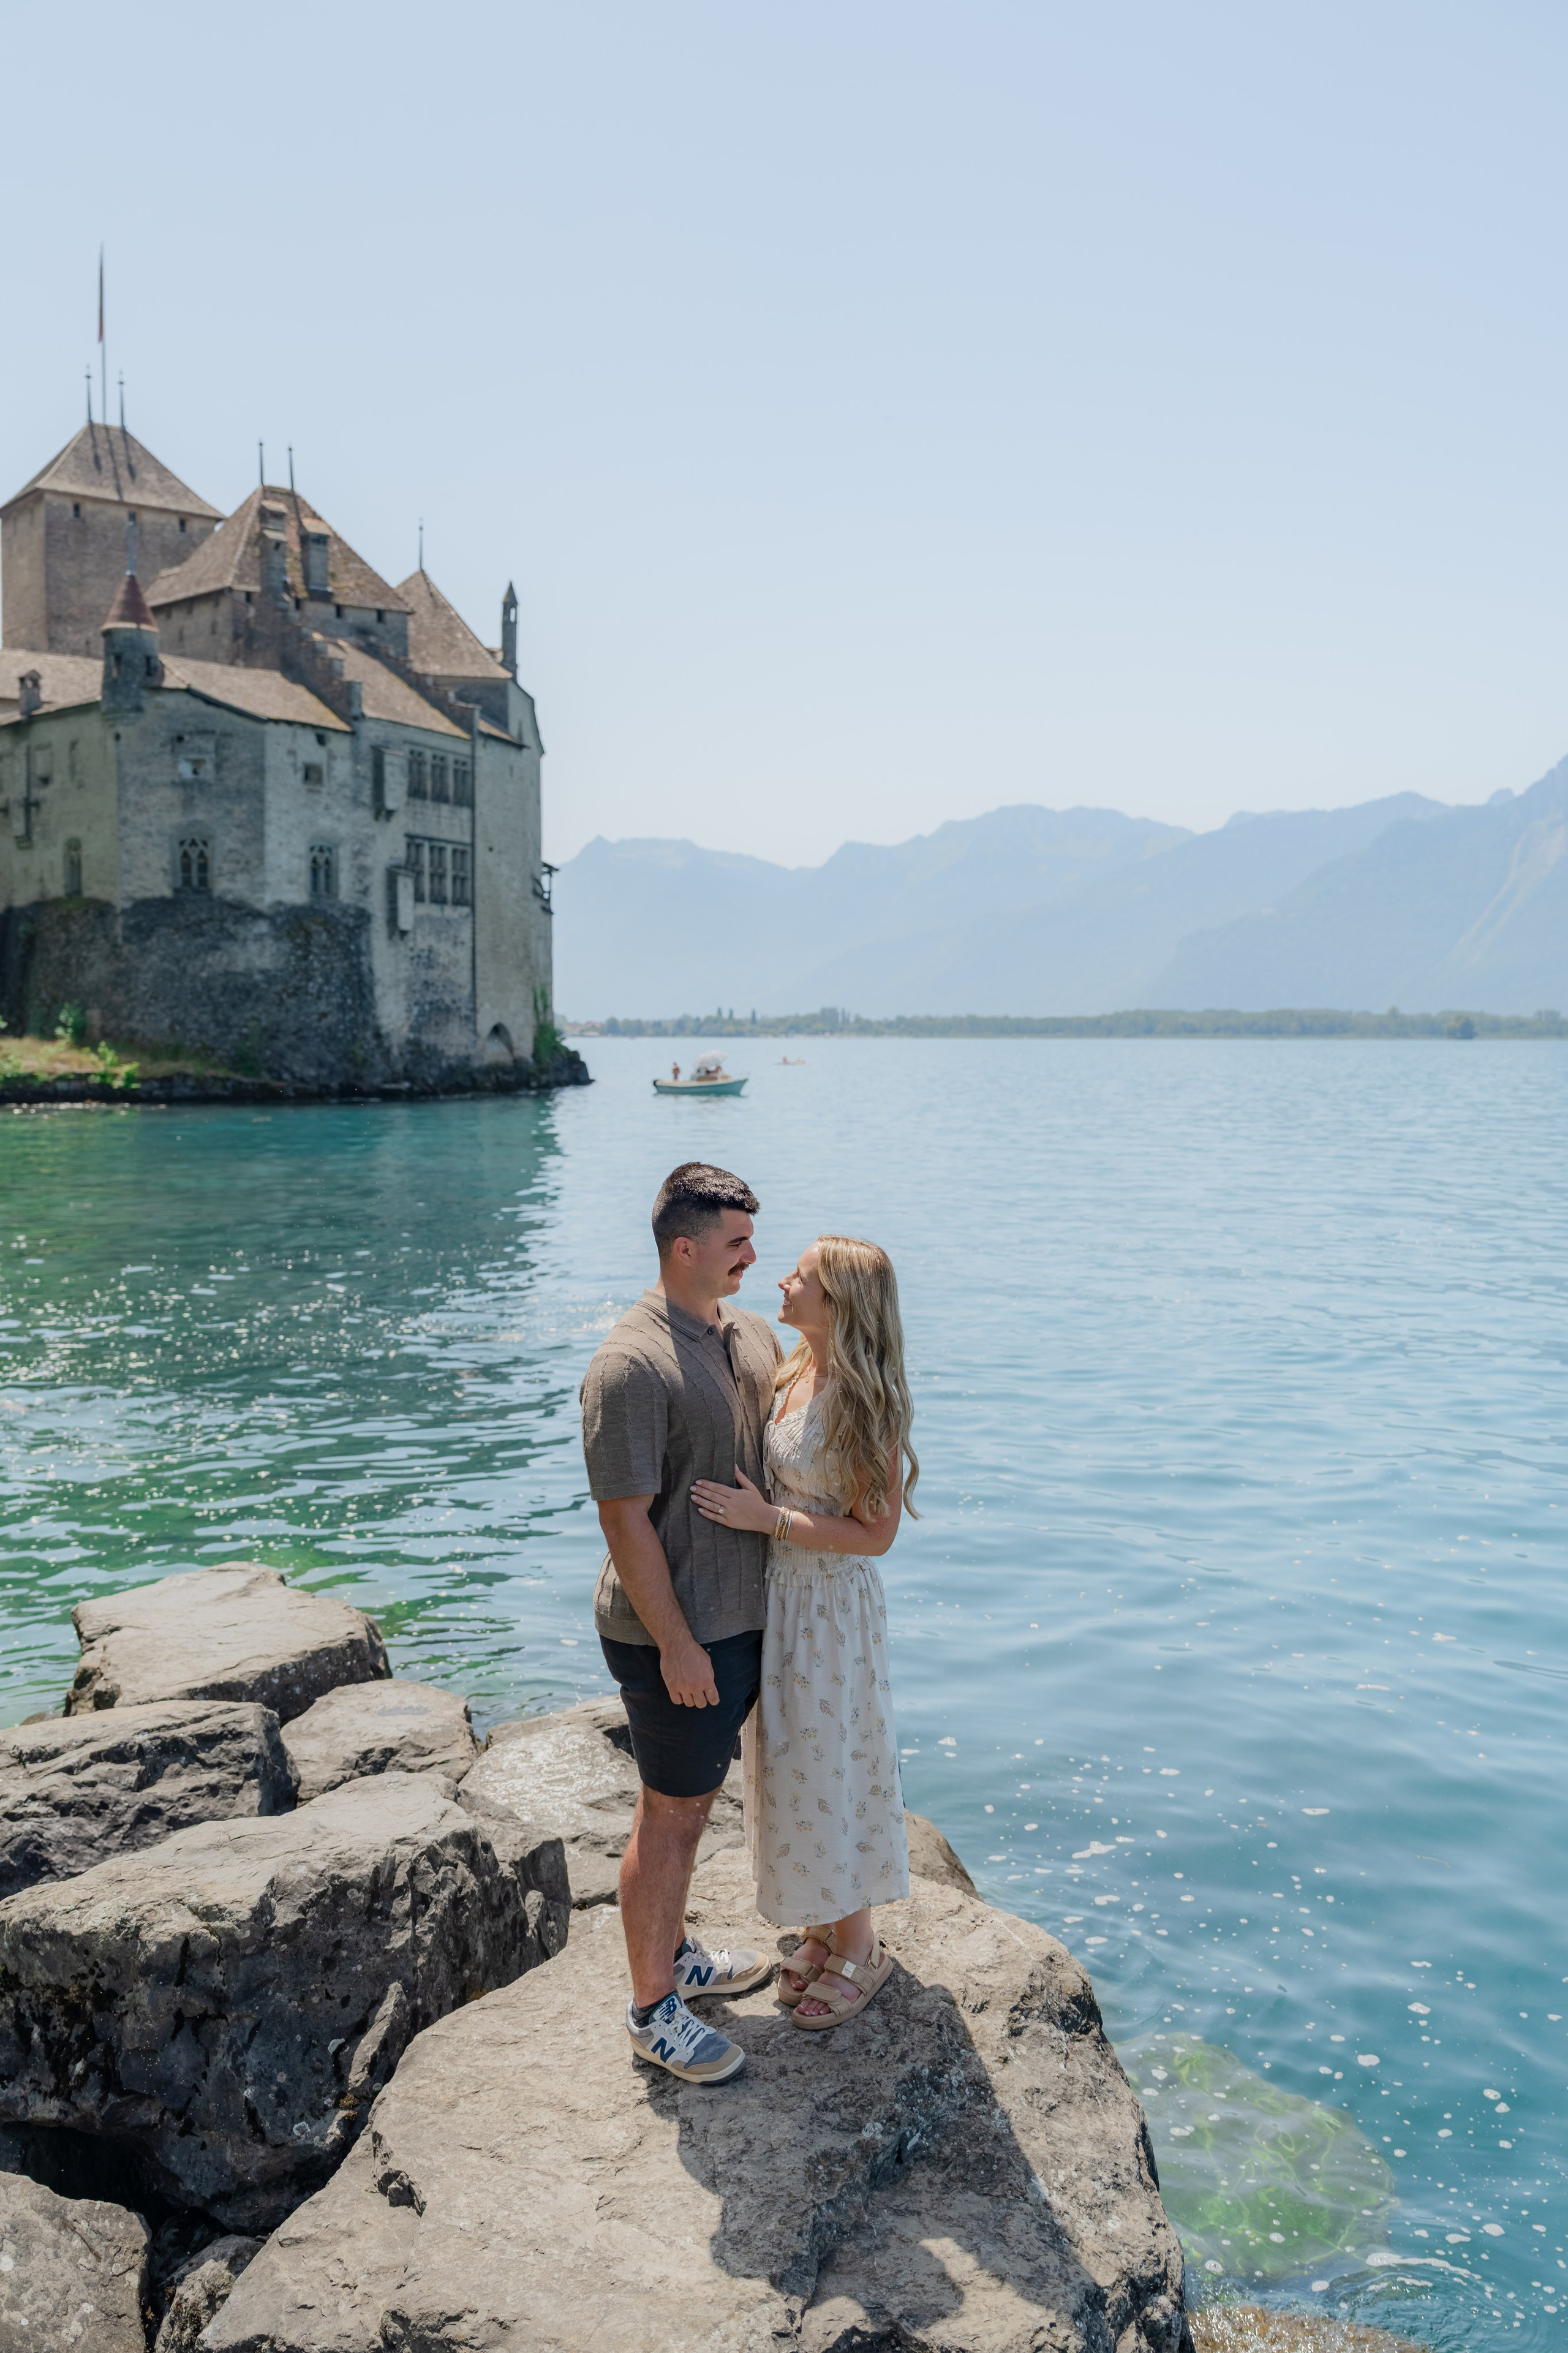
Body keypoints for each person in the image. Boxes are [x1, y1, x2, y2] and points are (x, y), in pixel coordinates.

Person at [581, 1161, 781, 2085]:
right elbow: (624, 1519)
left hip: (736, 1620)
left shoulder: (746, 1332)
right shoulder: (631, 1364)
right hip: (674, 1633)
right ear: (684, 1247)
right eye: (736, 1241)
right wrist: (677, 1644)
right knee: (670, 1815)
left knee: (692, 1807)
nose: (752, 1254)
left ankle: (679, 1956)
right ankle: (652, 2008)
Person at [692, 1234, 918, 2031]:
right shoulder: (792, 1369)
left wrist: (768, 1519)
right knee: (789, 1763)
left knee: (829, 1762)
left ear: (840, 1303)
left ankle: (861, 1941)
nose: (783, 1280)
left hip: (829, 1610)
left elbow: (876, 1533)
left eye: (803, 1275)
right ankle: (824, 1921)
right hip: (781, 1602)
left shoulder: (867, 1398)